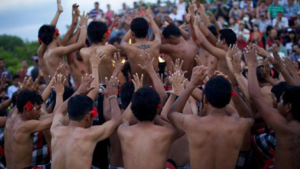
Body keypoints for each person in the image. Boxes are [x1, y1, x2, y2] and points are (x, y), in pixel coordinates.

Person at [167, 66, 254, 169]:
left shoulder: (193, 123)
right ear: (228, 98)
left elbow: (172, 113)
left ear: (206, 99)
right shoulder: (238, 125)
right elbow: (249, 116)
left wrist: (192, 85)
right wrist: (231, 89)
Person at [51, 65, 122, 169]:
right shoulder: (89, 134)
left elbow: (59, 112)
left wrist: (78, 92)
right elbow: (116, 120)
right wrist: (112, 96)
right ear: (88, 116)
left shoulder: (56, 130)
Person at [247, 45, 300, 169]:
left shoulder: (284, 126)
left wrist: (251, 65)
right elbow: (298, 90)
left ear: (288, 107)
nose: (276, 103)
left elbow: (256, 97)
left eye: (280, 100)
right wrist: (281, 68)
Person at [118, 85, 180, 169]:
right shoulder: (166, 133)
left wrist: (135, 93)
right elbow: (180, 127)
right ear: (157, 109)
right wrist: (173, 95)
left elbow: (125, 118)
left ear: (133, 108)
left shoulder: (123, 131)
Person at [38, 2, 87, 81]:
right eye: (57, 34)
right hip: (61, 90)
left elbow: (71, 28)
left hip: (52, 91)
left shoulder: (48, 53)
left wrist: (74, 19)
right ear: (54, 36)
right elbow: (81, 43)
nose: (59, 37)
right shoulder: (54, 51)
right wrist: (84, 25)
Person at [4, 90, 54, 169]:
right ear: (26, 108)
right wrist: (60, 94)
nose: (40, 112)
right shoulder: (26, 126)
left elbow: (37, 103)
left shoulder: (10, 121)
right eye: (38, 109)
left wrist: (52, 81)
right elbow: (57, 117)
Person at [121, 5, 161, 86]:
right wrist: (150, 17)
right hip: (155, 88)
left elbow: (123, 40)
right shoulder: (156, 44)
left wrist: (134, 23)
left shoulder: (129, 47)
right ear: (147, 32)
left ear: (132, 33)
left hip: (138, 88)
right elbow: (157, 33)